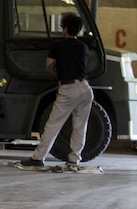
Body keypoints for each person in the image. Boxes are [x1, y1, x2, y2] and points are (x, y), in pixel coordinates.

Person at [20, 13, 94, 170]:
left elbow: (48, 66)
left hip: (68, 89)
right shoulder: (84, 47)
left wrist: (55, 70)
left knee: (53, 124)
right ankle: (74, 160)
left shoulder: (58, 46)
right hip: (85, 89)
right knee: (80, 126)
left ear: (65, 28)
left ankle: (38, 157)